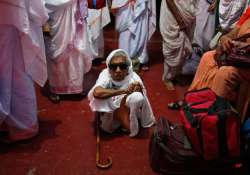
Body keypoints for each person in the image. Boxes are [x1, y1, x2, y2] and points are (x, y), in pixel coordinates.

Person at [168, 6, 250, 110]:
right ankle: (191, 100)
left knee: (225, 72)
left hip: (247, 65)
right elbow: (235, 31)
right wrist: (226, 38)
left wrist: (241, 45)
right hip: (239, 56)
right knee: (208, 57)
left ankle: (210, 112)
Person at [0, 0, 48, 143]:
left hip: (10, 20)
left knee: (15, 74)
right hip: (12, 18)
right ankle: (16, 122)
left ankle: (23, 126)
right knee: (15, 73)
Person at [88, 49, 155, 137]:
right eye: (114, 66)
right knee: (102, 95)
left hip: (126, 107)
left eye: (122, 66)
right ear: (109, 67)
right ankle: (116, 117)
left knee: (137, 97)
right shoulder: (105, 75)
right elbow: (96, 93)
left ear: (127, 68)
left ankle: (126, 117)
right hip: (111, 109)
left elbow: (143, 100)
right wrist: (124, 91)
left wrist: (139, 90)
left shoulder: (134, 78)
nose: (118, 70)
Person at [45, 0, 93, 103]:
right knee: (57, 55)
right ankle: (56, 89)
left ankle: (75, 87)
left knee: (76, 53)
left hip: (74, 18)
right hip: (58, 19)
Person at [160, 0, 196, 90]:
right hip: (172, 15)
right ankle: (167, 78)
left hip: (186, 12)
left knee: (184, 46)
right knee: (173, 46)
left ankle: (176, 74)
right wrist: (179, 18)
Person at [111, 0, 156, 71]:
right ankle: (124, 58)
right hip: (126, 7)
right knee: (125, 32)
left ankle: (141, 59)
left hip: (141, 4)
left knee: (141, 30)